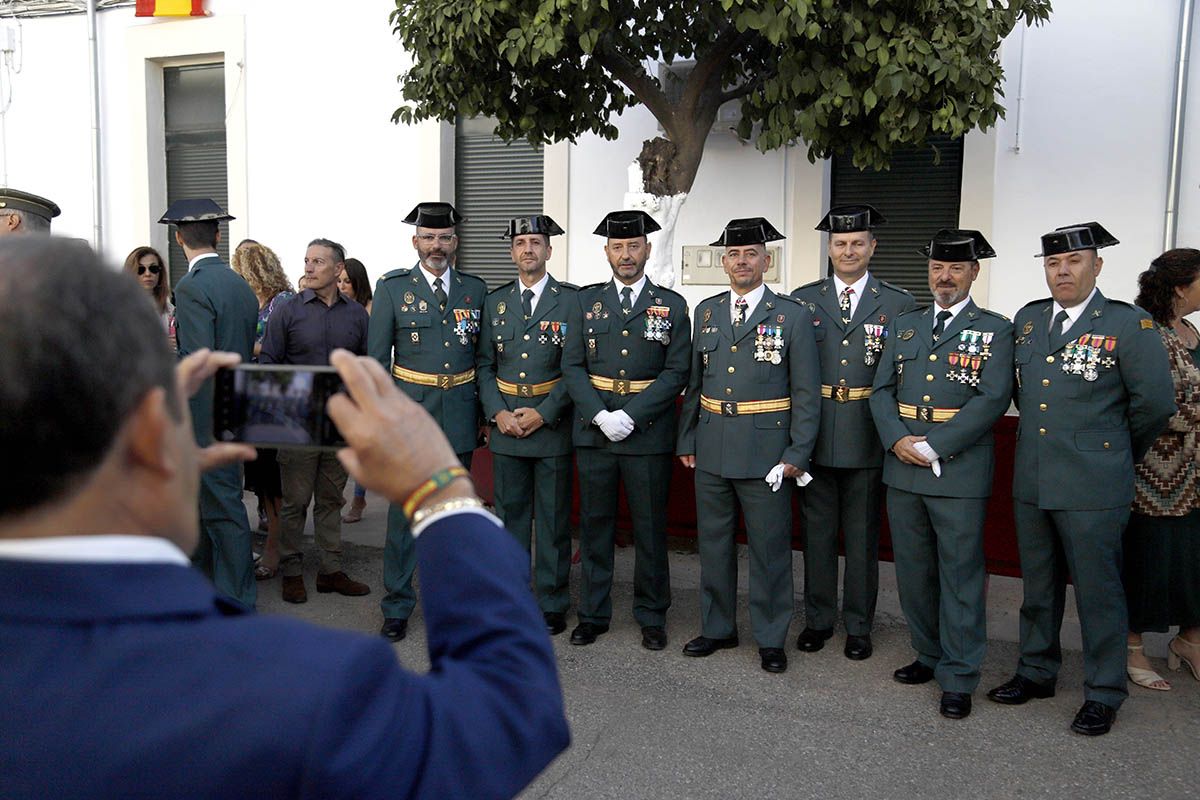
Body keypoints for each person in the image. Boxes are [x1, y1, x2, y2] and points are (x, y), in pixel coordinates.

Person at [0, 235, 570, 798]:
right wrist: (441, 492)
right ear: (151, 433)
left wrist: (143, 467)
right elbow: (510, 713)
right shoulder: (296, 690)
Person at [986, 221, 1175, 736]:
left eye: (1073, 262)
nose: (1062, 271)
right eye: (1052, 263)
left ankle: (1104, 691)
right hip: (1034, 478)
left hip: (1094, 484)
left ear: (1097, 265)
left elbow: (1155, 405)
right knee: (1039, 587)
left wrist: (1109, 450)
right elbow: (1027, 398)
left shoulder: (1126, 325)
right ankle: (1036, 671)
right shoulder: (1027, 321)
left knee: (1098, 592)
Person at [869, 229, 1013, 719]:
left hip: (958, 473)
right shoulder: (906, 325)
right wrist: (897, 439)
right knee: (913, 573)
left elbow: (993, 398)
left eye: (954, 268)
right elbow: (880, 390)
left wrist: (937, 444)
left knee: (959, 577)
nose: (943, 277)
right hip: (904, 468)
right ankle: (927, 654)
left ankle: (958, 673)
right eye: (936, 268)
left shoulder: (995, 329)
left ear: (974, 272)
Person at [677, 217, 820, 674]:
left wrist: (797, 452)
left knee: (769, 550)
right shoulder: (707, 311)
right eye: (734, 255)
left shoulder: (791, 315)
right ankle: (718, 628)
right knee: (714, 545)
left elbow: (805, 392)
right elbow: (696, 383)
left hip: (766, 453)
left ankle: (771, 636)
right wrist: (687, 437)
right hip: (713, 446)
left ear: (766, 260)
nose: (742, 261)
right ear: (724, 262)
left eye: (751, 254)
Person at [789, 204, 915, 661]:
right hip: (817, 433)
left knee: (863, 539)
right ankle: (819, 620)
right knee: (817, 535)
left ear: (872, 248)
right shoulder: (803, 300)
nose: (849, 251)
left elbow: (903, 375)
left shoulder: (900, 303)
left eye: (857, 243)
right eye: (840, 244)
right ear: (829, 249)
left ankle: (859, 625)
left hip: (868, 433)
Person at [561, 210, 690, 650]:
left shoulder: (672, 305)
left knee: (651, 530)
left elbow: (677, 373)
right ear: (607, 253)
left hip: (647, 433)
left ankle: (652, 615)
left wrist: (631, 416)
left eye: (634, 246)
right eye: (618, 247)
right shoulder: (584, 302)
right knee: (595, 527)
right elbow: (572, 367)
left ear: (647, 250)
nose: (626, 254)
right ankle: (593, 614)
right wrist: (601, 416)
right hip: (595, 431)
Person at [369, 202, 487, 641]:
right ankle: (397, 604)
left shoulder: (475, 291)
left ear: (455, 243)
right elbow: (378, 363)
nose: (437, 246)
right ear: (415, 241)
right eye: (429, 237)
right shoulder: (392, 288)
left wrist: (482, 417)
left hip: (459, 414)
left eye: (444, 238)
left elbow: (481, 359)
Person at [476, 215, 577, 635]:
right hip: (506, 428)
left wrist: (545, 411)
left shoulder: (571, 301)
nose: (528, 250)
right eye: (520, 243)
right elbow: (483, 365)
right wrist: (497, 412)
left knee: (553, 522)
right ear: (512, 252)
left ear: (549, 250)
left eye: (536, 242)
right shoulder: (494, 302)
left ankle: (552, 601)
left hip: (549, 426)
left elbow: (577, 368)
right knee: (511, 517)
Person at [260, 239, 371, 603]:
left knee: (330, 499)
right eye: (307, 260)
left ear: (339, 269)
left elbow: (365, 368)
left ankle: (330, 570)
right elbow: (269, 365)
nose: (309, 267)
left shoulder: (356, 316)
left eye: (318, 262)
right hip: (297, 423)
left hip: (339, 423)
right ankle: (292, 571)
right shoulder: (288, 311)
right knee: (295, 501)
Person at [163, 198, 259, 607]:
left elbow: (197, 361)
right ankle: (210, 589)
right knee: (214, 501)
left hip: (204, 410)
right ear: (219, 235)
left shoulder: (191, 286)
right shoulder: (239, 284)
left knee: (219, 505)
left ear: (178, 237)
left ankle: (236, 598)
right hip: (235, 400)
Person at [1125, 248, 1200, 690]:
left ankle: (1189, 640)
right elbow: (1148, 404)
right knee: (1148, 559)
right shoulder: (1144, 332)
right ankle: (1133, 645)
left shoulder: (1189, 330)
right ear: (1180, 286)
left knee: (1191, 559)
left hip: (1193, 476)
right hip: (1155, 474)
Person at [339, 256, 374, 524]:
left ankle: (358, 498)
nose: (341, 286)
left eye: (347, 282)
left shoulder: (370, 309)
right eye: (338, 281)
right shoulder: (335, 308)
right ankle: (336, 493)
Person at [124, 245, 176, 352]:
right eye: (140, 269)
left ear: (160, 273)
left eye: (153, 269)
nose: (147, 274)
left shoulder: (169, 308)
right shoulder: (119, 307)